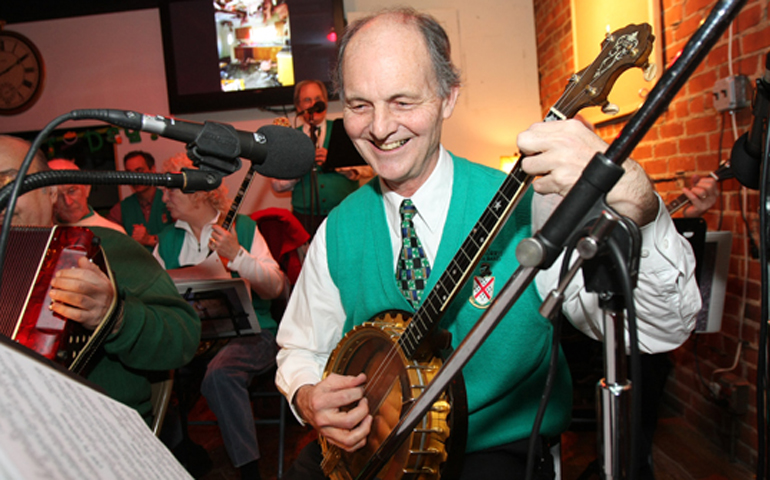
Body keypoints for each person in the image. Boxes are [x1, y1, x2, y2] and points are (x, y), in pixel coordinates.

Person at [275, 8, 702, 479]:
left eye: (402, 101)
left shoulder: (532, 210)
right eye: (359, 105)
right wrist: (308, 395)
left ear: (447, 97)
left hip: (494, 455)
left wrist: (642, 210)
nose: (378, 127)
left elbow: (665, 329)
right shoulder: (338, 229)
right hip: (373, 454)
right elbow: (299, 347)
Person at [0, 135, 201, 425]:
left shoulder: (105, 247)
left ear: (50, 191)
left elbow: (183, 338)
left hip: (96, 433)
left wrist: (117, 316)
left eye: (8, 182)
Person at [153, 152, 287, 480]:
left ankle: (249, 472)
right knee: (150, 368)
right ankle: (176, 455)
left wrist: (237, 256)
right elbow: (153, 295)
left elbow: (276, 288)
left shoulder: (242, 227)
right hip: (195, 340)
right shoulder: (168, 240)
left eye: (171, 189)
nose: (163, 195)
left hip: (254, 335)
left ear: (198, 191)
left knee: (220, 373)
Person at [271, 79, 369, 237]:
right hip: (304, 221)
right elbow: (276, 184)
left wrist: (336, 163)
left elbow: (369, 169)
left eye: (318, 99)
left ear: (325, 103)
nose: (313, 104)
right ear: (298, 107)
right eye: (307, 100)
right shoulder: (289, 137)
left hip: (344, 213)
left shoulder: (346, 130)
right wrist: (301, 166)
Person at [107, 150, 173, 250]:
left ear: (153, 170)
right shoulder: (121, 208)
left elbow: (184, 239)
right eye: (130, 173)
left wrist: (150, 240)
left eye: (139, 171)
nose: (135, 178)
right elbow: (108, 239)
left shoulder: (171, 200)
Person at [48, 158, 126, 233]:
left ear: (86, 188)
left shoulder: (112, 234)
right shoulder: (44, 234)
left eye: (72, 191)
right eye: (58, 195)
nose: (68, 202)